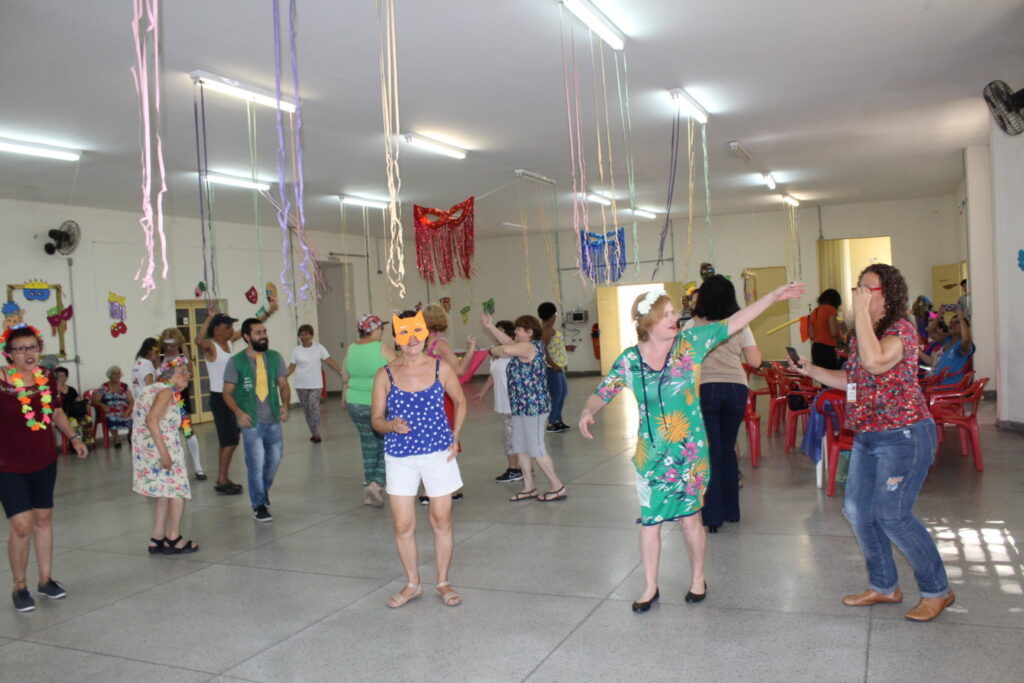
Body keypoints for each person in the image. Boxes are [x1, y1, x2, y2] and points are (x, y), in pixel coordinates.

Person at [578, 282, 805, 612]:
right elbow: (604, 390)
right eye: (666, 315)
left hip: (688, 453)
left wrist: (772, 296)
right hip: (651, 455)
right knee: (650, 522)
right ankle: (650, 586)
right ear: (648, 323)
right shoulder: (629, 360)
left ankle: (698, 578)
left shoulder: (688, 344)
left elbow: (734, 323)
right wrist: (588, 410)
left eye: (674, 313)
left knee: (690, 520)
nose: (674, 319)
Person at [791, 264, 954, 622]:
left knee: (892, 515)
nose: (858, 295)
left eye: (867, 289)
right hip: (867, 435)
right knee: (858, 511)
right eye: (857, 289)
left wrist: (861, 316)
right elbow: (854, 377)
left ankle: (937, 590)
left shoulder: (903, 330)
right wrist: (813, 371)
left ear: (888, 294)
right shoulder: (862, 333)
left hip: (905, 435)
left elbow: (876, 361)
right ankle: (883, 586)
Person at [371, 310, 466, 608]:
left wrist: (455, 434)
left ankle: (442, 581)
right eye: (404, 333)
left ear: (425, 334)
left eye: (417, 332)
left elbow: (461, 402)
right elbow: (376, 419)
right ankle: (412, 583)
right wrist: (390, 425)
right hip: (400, 456)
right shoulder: (385, 374)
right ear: (397, 339)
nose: (411, 339)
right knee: (402, 525)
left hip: (438, 453)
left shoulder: (442, 369)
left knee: (442, 520)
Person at [0, 326, 88, 612]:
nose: (29, 353)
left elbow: (57, 412)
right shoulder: (1, 380)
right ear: (9, 354)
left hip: (42, 458)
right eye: (21, 349)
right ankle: (19, 585)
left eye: (33, 347)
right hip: (8, 463)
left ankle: (46, 579)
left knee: (42, 519)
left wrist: (74, 438)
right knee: (21, 525)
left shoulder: (46, 378)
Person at [684, 275, 762, 532]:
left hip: (705, 389)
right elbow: (756, 361)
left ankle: (713, 516)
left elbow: (681, 360)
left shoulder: (692, 325)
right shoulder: (739, 325)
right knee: (728, 449)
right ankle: (731, 511)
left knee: (711, 452)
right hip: (736, 389)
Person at [482, 313, 566, 503]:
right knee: (520, 446)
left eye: (519, 329)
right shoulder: (522, 346)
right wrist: (490, 327)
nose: (515, 332)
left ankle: (557, 486)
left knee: (536, 448)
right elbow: (508, 343)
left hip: (534, 406)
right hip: (520, 405)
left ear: (529, 332)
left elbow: (504, 349)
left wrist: (492, 350)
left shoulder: (529, 346)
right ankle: (529, 487)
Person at [196, 301, 276, 494]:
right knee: (229, 441)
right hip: (219, 398)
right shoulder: (212, 347)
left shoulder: (229, 342)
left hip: (232, 397)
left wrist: (268, 311)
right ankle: (222, 480)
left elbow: (251, 327)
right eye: (227, 326)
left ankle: (222, 478)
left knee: (230, 440)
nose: (231, 329)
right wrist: (209, 317)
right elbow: (199, 341)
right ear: (217, 329)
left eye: (231, 326)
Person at [223, 318, 290, 523]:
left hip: (272, 419)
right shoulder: (236, 362)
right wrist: (238, 412)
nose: (263, 336)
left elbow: (283, 384)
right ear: (247, 337)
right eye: (258, 333)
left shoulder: (274, 357)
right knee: (256, 463)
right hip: (251, 422)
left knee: (275, 459)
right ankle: (258, 504)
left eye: (264, 332)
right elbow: (227, 393)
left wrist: (285, 405)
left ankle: (262, 489)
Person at [131, 356, 199, 555]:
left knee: (163, 493)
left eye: (187, 372)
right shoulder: (166, 392)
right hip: (162, 449)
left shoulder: (149, 390)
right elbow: (152, 420)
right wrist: (164, 454)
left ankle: (157, 537)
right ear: (169, 376)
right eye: (182, 372)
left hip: (149, 451)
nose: (187, 376)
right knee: (177, 492)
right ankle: (173, 538)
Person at [421, 303, 476, 504]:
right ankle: (446, 490)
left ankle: (425, 490)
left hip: (421, 395)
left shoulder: (419, 341)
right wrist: (471, 350)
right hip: (440, 396)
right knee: (445, 439)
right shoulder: (439, 343)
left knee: (425, 438)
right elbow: (459, 370)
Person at [341, 314, 395, 506]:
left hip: (355, 403)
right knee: (387, 443)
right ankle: (376, 483)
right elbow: (397, 371)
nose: (382, 331)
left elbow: (344, 374)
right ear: (375, 329)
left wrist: (343, 394)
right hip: (378, 404)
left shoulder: (351, 348)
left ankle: (368, 487)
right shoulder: (382, 348)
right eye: (381, 328)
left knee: (368, 444)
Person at [473, 318, 521, 483]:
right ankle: (524, 467)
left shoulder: (515, 351)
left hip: (515, 401)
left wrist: (489, 326)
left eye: (499, 331)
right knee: (514, 436)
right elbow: (493, 375)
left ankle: (514, 469)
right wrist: (482, 392)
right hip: (504, 402)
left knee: (509, 436)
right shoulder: (496, 353)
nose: (495, 335)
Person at [158, 328, 205, 480]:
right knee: (166, 433)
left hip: (180, 401)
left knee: (187, 430)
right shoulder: (158, 359)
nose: (170, 349)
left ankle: (198, 467)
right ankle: (170, 466)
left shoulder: (182, 360)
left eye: (173, 345)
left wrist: (184, 351)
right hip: (163, 402)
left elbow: (187, 374)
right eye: (167, 346)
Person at [286, 324, 343, 443]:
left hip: (315, 384)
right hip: (301, 385)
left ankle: (317, 433)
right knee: (307, 411)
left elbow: (329, 360)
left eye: (306, 334)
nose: (303, 336)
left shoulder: (319, 348)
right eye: (301, 334)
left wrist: (340, 371)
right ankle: (313, 432)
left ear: (311, 335)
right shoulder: (296, 350)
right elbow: (291, 366)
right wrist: (282, 377)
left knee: (313, 408)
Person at [538, 302, 570, 433]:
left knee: (562, 393)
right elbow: (542, 349)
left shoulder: (549, 329)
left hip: (557, 367)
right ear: (553, 315)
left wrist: (565, 348)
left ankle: (557, 419)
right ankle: (552, 422)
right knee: (556, 395)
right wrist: (553, 364)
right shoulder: (546, 330)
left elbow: (551, 347)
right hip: (551, 368)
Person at [922, 310, 974, 387]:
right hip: (935, 383)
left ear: (964, 327)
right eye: (951, 322)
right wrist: (937, 316)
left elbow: (966, 339)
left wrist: (961, 319)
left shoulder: (965, 345)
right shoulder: (947, 339)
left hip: (948, 386)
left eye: (957, 323)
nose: (952, 325)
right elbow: (931, 332)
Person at [92, 365, 132, 448]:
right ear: (110, 375)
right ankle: (116, 438)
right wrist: (102, 405)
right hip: (111, 409)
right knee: (111, 416)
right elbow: (95, 400)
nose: (117, 376)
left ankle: (130, 435)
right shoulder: (104, 386)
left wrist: (128, 410)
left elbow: (131, 401)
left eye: (118, 374)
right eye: (114, 374)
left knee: (133, 417)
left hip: (124, 408)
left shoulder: (125, 386)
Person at [53, 366, 92, 446]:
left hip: (74, 413)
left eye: (62, 375)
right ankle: (75, 443)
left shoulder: (71, 389)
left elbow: (78, 401)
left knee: (87, 420)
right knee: (73, 422)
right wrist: (57, 387)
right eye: (58, 375)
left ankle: (87, 442)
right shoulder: (53, 390)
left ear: (66, 377)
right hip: (62, 416)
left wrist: (85, 405)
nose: (60, 378)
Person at [808, 289, 843, 370]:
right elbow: (834, 332)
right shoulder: (831, 310)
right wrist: (839, 327)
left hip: (816, 349)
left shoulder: (814, 311)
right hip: (827, 350)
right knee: (831, 379)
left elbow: (811, 335)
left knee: (822, 377)